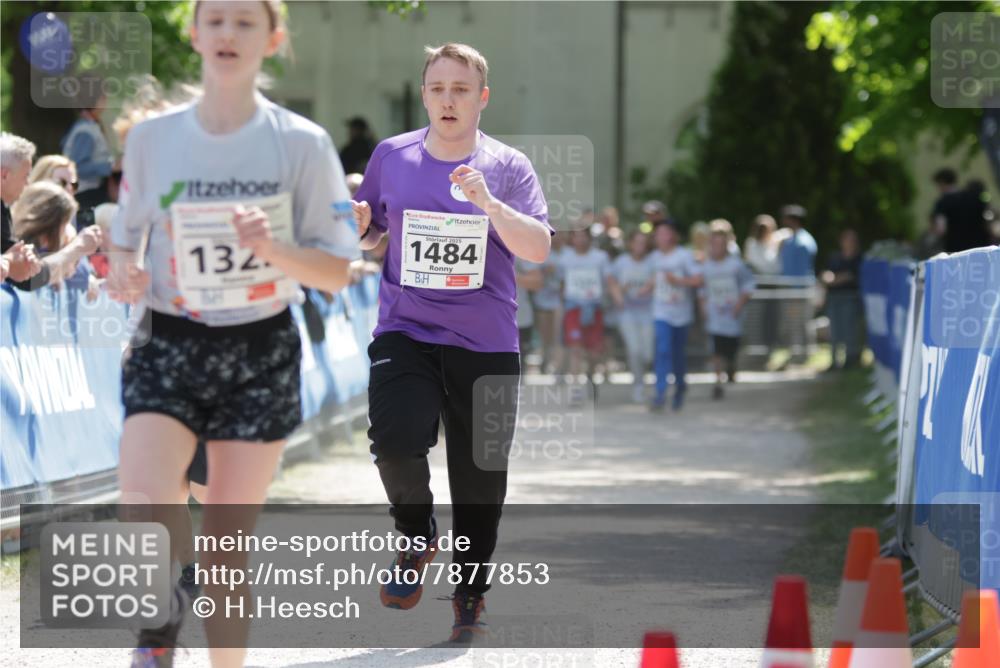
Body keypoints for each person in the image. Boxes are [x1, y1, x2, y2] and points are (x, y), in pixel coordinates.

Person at [106, 3, 357, 667]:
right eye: (214, 20)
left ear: (273, 40)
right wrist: (126, 271)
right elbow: (124, 240)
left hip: (259, 349)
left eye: (245, 23)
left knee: (225, 547)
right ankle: (159, 627)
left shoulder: (302, 143)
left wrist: (271, 248)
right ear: (194, 34)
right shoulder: (153, 139)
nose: (227, 34)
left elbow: (336, 271)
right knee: (143, 501)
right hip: (168, 340)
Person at [352, 42, 551, 643]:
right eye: (438, 88)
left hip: (486, 342)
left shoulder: (509, 165)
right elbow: (373, 233)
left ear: (481, 98)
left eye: (461, 89)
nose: (448, 100)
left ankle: (470, 590)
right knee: (394, 442)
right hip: (406, 330)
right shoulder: (392, 155)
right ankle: (416, 535)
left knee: (481, 476)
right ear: (424, 95)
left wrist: (488, 203)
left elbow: (538, 249)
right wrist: (359, 230)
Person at [649, 220, 702, 411]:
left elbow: (697, 280)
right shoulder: (654, 257)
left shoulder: (684, 256)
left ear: (673, 235)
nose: (660, 237)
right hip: (661, 312)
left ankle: (680, 387)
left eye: (664, 233)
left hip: (681, 314)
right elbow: (653, 280)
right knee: (662, 351)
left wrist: (677, 280)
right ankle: (660, 393)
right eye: (658, 233)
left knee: (677, 354)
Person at [699, 220, 755, 398]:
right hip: (715, 315)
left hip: (732, 315)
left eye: (720, 244)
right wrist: (703, 307)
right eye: (714, 243)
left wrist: (738, 306)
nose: (717, 248)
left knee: (730, 348)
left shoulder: (736, 265)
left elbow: (748, 287)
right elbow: (702, 289)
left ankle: (731, 365)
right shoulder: (706, 266)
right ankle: (717, 381)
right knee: (715, 349)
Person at [560, 227, 610, 396]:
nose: (580, 240)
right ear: (572, 239)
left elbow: (608, 280)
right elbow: (561, 282)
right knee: (575, 349)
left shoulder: (600, 257)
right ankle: (575, 390)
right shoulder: (565, 258)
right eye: (577, 236)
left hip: (594, 309)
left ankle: (591, 376)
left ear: (589, 238)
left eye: (583, 236)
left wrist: (614, 298)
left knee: (593, 352)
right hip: (573, 309)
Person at [608, 230, 654, 403]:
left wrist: (650, 286)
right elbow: (611, 281)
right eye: (637, 242)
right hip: (627, 313)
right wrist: (619, 295)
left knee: (648, 353)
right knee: (634, 350)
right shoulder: (621, 262)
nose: (640, 246)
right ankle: (638, 385)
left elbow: (659, 279)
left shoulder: (652, 261)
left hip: (648, 312)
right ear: (630, 244)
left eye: (643, 242)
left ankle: (644, 376)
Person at [61, 73, 115, 213]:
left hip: (90, 194)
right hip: (86, 196)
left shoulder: (89, 127)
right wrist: (111, 166)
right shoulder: (85, 132)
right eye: (103, 96)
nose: (106, 100)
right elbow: (77, 167)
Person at [1, 132, 44, 286]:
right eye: (25, 176)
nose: (27, 184)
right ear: (4, 175)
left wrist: (25, 259)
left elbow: (21, 276)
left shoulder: (3, 208)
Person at [822, 228, 863, 370]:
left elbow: (851, 276)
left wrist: (836, 279)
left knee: (849, 329)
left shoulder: (858, 259)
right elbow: (826, 274)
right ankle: (834, 360)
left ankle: (850, 359)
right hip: (834, 298)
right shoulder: (834, 257)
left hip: (850, 298)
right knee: (834, 330)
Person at [932, 168, 992, 253]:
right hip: (981, 244)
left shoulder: (942, 203)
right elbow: (988, 217)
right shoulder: (973, 196)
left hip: (957, 249)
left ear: (942, 183)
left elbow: (941, 230)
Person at [778, 204, 817, 279]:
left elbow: (802, 271)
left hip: (799, 285)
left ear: (794, 220)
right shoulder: (791, 239)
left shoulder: (803, 242)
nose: (783, 221)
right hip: (789, 284)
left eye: (786, 218)